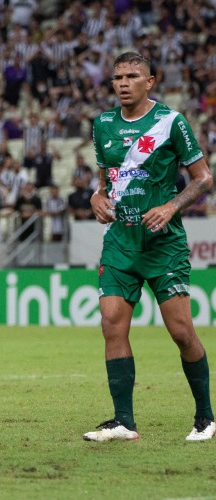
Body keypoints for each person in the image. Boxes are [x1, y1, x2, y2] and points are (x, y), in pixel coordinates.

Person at [84, 52, 215, 442]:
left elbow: (203, 178)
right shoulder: (103, 124)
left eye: (132, 76)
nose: (123, 82)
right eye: (117, 77)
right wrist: (97, 197)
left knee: (180, 331)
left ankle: (206, 418)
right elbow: (106, 181)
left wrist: (171, 205)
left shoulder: (171, 122)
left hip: (163, 245)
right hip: (121, 243)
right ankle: (124, 421)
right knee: (111, 323)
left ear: (150, 81)